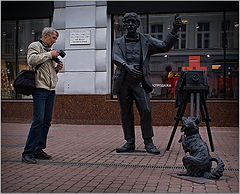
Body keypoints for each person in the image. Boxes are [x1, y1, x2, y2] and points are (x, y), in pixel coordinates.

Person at [112, 12, 182, 154]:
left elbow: (163, 46)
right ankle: (130, 141)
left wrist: (174, 30)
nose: (130, 24)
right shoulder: (118, 41)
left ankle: (148, 142)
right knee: (125, 113)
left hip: (140, 82)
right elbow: (115, 56)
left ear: (138, 25)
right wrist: (126, 66)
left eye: (133, 22)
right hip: (123, 81)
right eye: (128, 22)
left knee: (146, 110)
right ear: (124, 25)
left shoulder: (146, 40)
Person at [22, 27, 63, 164]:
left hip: (50, 90)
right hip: (39, 89)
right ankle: (27, 153)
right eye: (53, 38)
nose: (54, 41)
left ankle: (38, 149)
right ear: (46, 36)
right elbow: (32, 61)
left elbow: (47, 71)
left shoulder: (49, 50)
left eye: (55, 38)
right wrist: (49, 55)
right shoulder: (35, 46)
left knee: (46, 121)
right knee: (38, 121)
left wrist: (56, 70)